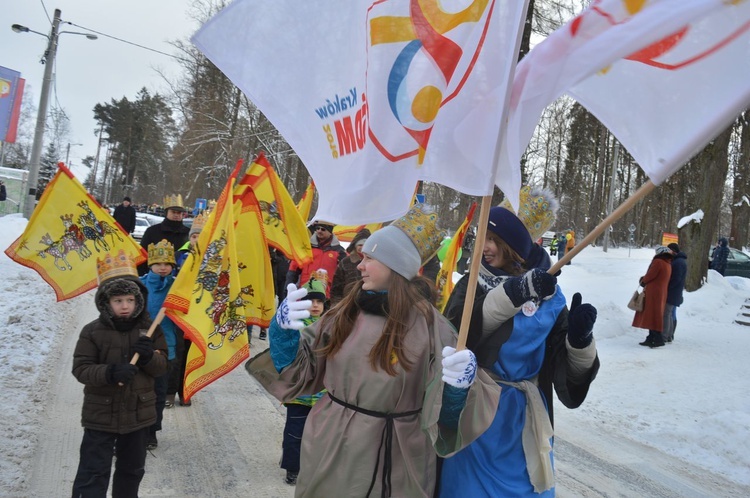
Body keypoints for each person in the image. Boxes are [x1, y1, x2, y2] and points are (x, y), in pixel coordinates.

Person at [247, 203, 501, 497]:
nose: (359, 264)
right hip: (333, 446)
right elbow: (299, 374)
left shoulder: (433, 327)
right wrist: (284, 332)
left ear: (395, 266)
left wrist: (459, 390)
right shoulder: (344, 313)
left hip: (399, 456)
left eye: (369, 257)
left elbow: (446, 419)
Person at [439, 187, 600, 497]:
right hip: (477, 414)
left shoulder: (549, 294)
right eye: (481, 237)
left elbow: (566, 374)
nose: (483, 247)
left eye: (493, 240)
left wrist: (579, 343)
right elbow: (457, 338)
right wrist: (511, 295)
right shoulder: (471, 283)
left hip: (525, 419)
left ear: (513, 245)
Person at [71, 249, 168, 497]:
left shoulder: (150, 329)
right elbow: (81, 368)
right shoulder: (92, 331)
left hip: (138, 414)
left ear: (138, 301)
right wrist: (110, 372)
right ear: (106, 303)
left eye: (130, 300)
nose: (125, 306)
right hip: (100, 413)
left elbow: (162, 366)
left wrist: (148, 357)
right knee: (93, 472)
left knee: (131, 471)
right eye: (118, 301)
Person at [277, 277, 329, 486]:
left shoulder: (330, 324)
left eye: (319, 301)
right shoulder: (293, 324)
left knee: (318, 433)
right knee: (295, 431)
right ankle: (292, 468)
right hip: (299, 390)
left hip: (323, 392)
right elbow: (282, 348)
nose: (315, 305)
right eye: (310, 301)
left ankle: (312, 466)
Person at [140, 240, 179, 449]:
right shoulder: (140, 285)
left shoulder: (178, 287)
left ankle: (152, 432)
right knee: (139, 391)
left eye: (167, 263)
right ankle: (136, 429)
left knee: (158, 393)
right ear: (150, 264)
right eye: (158, 263)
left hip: (167, 349)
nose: (163, 267)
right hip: (140, 346)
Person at [174, 211, 207, 406]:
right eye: (194, 236)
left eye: (200, 236)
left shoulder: (210, 258)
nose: (196, 240)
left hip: (199, 310)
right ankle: (172, 389)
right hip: (180, 309)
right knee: (177, 351)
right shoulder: (179, 255)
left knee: (192, 352)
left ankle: (187, 390)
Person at [284, 220, 347, 296]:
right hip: (305, 292)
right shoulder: (306, 248)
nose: (319, 231)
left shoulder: (340, 252)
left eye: (323, 229)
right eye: (318, 228)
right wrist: (287, 289)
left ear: (330, 232)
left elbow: (344, 274)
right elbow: (293, 269)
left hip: (326, 295)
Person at [138, 194, 190, 275]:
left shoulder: (188, 233)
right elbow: (143, 254)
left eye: (179, 213)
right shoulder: (152, 231)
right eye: (173, 212)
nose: (176, 215)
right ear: (166, 213)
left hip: (181, 277)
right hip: (155, 275)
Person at [634, 246, 673, 348]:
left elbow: (650, 275)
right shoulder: (667, 263)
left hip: (654, 292)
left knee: (652, 315)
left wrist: (643, 280)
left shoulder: (658, 262)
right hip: (661, 292)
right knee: (655, 314)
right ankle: (652, 337)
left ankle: (656, 338)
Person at [330, 228, 370, 305]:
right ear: (355, 246)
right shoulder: (345, 262)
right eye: (360, 245)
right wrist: (336, 305)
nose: (362, 247)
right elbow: (336, 287)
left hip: (370, 302)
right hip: (348, 302)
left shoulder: (376, 262)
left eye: (365, 245)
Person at [665, 243, 687, 343]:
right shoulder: (679, 261)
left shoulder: (678, 263)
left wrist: (668, 287)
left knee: (669, 314)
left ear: (673, 251)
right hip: (676, 292)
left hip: (673, 292)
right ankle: (670, 334)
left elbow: (676, 279)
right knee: (671, 313)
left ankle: (668, 334)